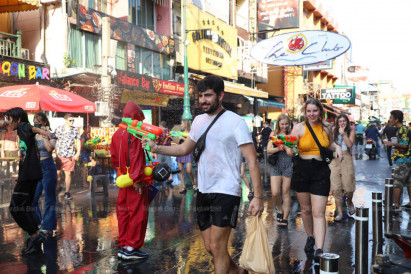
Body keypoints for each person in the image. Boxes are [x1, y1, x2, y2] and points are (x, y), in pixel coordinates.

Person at [143, 75, 264, 273]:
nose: (203, 100)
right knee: (210, 248)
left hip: (226, 191)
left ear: (221, 95)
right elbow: (184, 150)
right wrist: (157, 148)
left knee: (218, 247)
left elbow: (252, 160)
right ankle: (239, 271)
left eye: (208, 95)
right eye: (200, 96)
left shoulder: (235, 122)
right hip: (204, 190)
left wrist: (257, 197)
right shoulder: (198, 121)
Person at [290, 98, 343, 262]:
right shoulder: (299, 128)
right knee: (305, 210)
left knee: (318, 212)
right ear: (305, 113)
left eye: (314, 110)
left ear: (320, 111)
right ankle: (310, 236)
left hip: (320, 171)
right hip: (302, 170)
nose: (312, 114)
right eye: (309, 111)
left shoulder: (327, 128)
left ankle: (320, 249)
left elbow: (330, 145)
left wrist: (338, 147)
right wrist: (289, 148)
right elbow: (290, 149)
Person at [5, 107, 53, 254]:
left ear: (18, 119)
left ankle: (34, 235)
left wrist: (43, 132)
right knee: (25, 206)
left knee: (15, 206)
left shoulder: (22, 126)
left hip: (30, 175)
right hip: (30, 174)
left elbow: (32, 128)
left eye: (10, 119)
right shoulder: (21, 130)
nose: (8, 122)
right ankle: (36, 235)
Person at [110, 101, 150, 260]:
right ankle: (131, 248)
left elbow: (113, 159)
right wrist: (138, 179)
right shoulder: (135, 133)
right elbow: (136, 157)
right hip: (134, 180)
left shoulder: (117, 133)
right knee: (138, 213)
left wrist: (122, 175)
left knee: (123, 212)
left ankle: (123, 245)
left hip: (122, 179)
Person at [31, 113, 58, 236]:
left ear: (45, 123)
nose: (36, 123)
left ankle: (48, 226)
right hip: (36, 168)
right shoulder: (33, 136)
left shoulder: (51, 134)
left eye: (39, 121)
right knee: (33, 198)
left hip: (48, 166)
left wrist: (44, 134)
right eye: (34, 120)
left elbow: (49, 149)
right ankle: (39, 222)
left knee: (49, 199)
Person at [267, 114, 294, 227]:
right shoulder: (274, 134)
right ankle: (279, 209)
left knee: (285, 192)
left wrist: (288, 148)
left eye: (286, 124)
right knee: (275, 192)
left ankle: (285, 217)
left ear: (289, 124)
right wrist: (278, 147)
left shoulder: (292, 135)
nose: (284, 126)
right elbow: (268, 150)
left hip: (288, 165)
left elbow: (293, 153)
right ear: (278, 124)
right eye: (282, 124)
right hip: (276, 165)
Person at [330, 114, 356, 221]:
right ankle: (340, 212)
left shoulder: (351, 131)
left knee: (348, 187)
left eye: (344, 121)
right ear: (337, 123)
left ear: (347, 122)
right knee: (336, 188)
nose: (342, 123)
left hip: (346, 158)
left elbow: (349, 145)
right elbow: (330, 144)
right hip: (335, 159)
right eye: (340, 121)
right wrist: (335, 149)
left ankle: (349, 201)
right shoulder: (333, 131)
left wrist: (343, 134)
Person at [383, 110, 411, 210]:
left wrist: (392, 144)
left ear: (397, 119)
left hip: (403, 159)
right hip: (407, 159)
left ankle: (396, 204)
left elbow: (404, 146)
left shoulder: (402, 129)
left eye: (391, 118)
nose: (390, 119)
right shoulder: (401, 129)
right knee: (408, 182)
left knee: (397, 182)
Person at [54, 114, 81, 200]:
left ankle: (67, 192)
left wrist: (78, 153)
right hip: (60, 154)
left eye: (73, 120)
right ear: (65, 120)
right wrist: (54, 151)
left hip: (70, 155)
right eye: (70, 120)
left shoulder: (75, 130)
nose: (72, 122)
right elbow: (54, 140)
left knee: (68, 173)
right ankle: (58, 186)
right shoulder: (59, 129)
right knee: (58, 173)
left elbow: (79, 141)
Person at [175, 120, 197, 194]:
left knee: (189, 170)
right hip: (180, 152)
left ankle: (193, 184)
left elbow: (190, 143)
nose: (181, 125)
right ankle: (183, 186)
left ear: (186, 124)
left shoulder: (191, 133)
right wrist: (171, 138)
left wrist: (183, 138)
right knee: (181, 170)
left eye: (182, 123)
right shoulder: (180, 133)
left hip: (188, 153)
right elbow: (178, 142)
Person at [156, 121, 174, 185]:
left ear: (160, 125)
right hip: (168, 150)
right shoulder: (169, 131)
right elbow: (172, 139)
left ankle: (161, 178)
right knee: (169, 164)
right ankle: (170, 177)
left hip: (160, 150)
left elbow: (157, 141)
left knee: (160, 164)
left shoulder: (159, 132)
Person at [80, 124, 93, 189]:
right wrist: (89, 148)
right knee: (85, 168)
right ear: (85, 129)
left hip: (87, 153)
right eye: (89, 128)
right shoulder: (83, 135)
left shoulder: (88, 135)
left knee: (88, 168)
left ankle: (88, 181)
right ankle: (84, 183)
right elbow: (82, 145)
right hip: (84, 154)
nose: (90, 129)